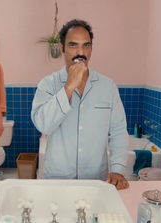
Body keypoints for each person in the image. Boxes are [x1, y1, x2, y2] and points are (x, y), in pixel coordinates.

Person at [31, 19, 130, 190]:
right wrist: (68, 88)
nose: (80, 52)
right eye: (73, 45)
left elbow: (119, 132)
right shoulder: (48, 84)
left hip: (96, 181)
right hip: (56, 180)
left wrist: (118, 170)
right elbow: (43, 126)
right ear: (62, 48)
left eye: (86, 45)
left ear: (91, 48)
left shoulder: (108, 87)